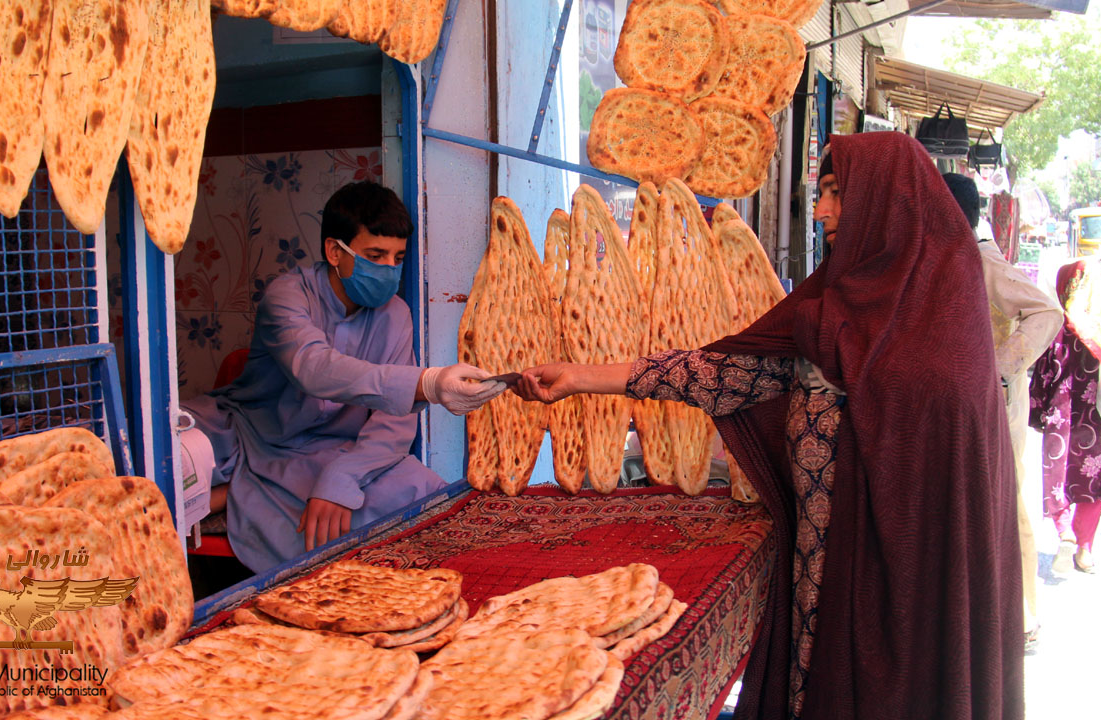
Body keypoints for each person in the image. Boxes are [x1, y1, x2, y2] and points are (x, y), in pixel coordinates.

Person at [516, 133, 1023, 720]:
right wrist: (580, 376)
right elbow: (719, 375)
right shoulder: (833, 307)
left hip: (906, 596)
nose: (822, 210)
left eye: (838, 193)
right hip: (823, 577)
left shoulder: (943, 325)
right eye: (822, 193)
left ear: (891, 202)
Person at [183, 181, 505, 572]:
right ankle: (237, 490)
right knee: (163, 460)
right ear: (335, 252)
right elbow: (314, 369)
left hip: (328, 450)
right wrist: (427, 383)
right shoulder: (288, 295)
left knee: (424, 500)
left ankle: (237, 494)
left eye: (397, 257)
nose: (389, 270)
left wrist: (340, 478)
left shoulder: (395, 315)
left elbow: (393, 425)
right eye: (375, 255)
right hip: (250, 434)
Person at [943, 172, 1062, 648]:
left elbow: (1046, 311)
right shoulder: (955, 258)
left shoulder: (983, 262)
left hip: (998, 403)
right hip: (975, 403)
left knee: (1007, 504)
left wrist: (1000, 365)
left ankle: (1025, 613)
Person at [1029, 260, 1101, 575]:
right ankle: (1084, 549)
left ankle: (1064, 531)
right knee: (1094, 479)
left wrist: (1038, 412)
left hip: (1064, 419)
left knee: (1059, 475)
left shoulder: (1057, 327)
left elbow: (1044, 374)